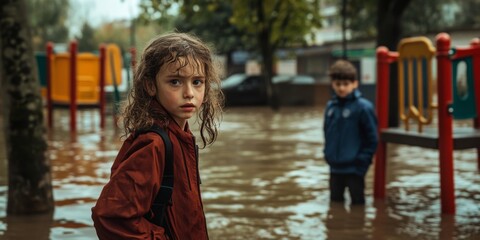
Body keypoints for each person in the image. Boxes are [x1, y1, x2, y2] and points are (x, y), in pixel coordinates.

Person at [91, 32, 224, 239]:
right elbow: (110, 216)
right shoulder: (153, 144)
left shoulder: (181, 136)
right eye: (175, 82)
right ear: (151, 85)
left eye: (197, 82)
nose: (189, 93)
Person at [323, 59, 378, 205]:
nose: (341, 88)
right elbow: (326, 133)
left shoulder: (363, 107)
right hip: (334, 167)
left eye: (345, 84)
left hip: (355, 169)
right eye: (338, 84)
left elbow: (372, 139)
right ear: (332, 84)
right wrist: (327, 155)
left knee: (358, 206)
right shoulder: (330, 107)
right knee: (335, 206)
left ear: (355, 84)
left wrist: (362, 163)